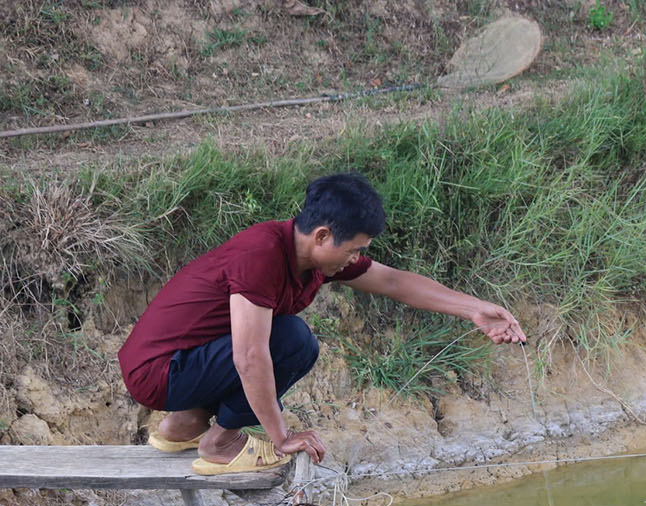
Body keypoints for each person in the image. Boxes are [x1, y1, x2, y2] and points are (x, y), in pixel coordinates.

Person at [117, 172, 525, 475]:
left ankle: (183, 425)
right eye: (354, 249)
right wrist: (281, 437)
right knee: (293, 341)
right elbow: (249, 355)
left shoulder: (311, 257)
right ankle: (220, 442)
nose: (356, 259)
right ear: (323, 235)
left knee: (286, 337)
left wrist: (473, 309)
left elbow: (394, 281)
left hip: (178, 365)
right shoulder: (261, 256)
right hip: (160, 372)